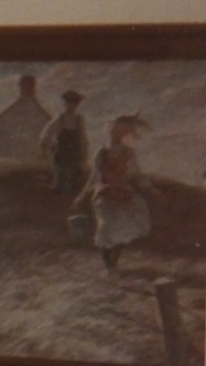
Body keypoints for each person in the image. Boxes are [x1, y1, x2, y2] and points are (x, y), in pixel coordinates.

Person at [71, 113, 158, 270]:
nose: (114, 134)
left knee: (123, 228)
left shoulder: (129, 153)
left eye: (118, 131)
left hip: (124, 194)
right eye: (113, 130)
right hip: (104, 194)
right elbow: (94, 177)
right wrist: (82, 196)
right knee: (106, 227)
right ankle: (108, 264)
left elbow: (138, 174)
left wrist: (151, 189)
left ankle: (113, 265)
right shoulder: (101, 153)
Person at [38, 89, 89, 194]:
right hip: (61, 156)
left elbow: (83, 139)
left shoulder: (79, 120)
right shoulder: (59, 119)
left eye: (74, 103)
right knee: (60, 183)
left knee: (77, 184)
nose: (72, 106)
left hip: (75, 156)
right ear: (65, 104)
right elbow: (47, 133)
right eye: (69, 103)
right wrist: (44, 148)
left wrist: (84, 155)